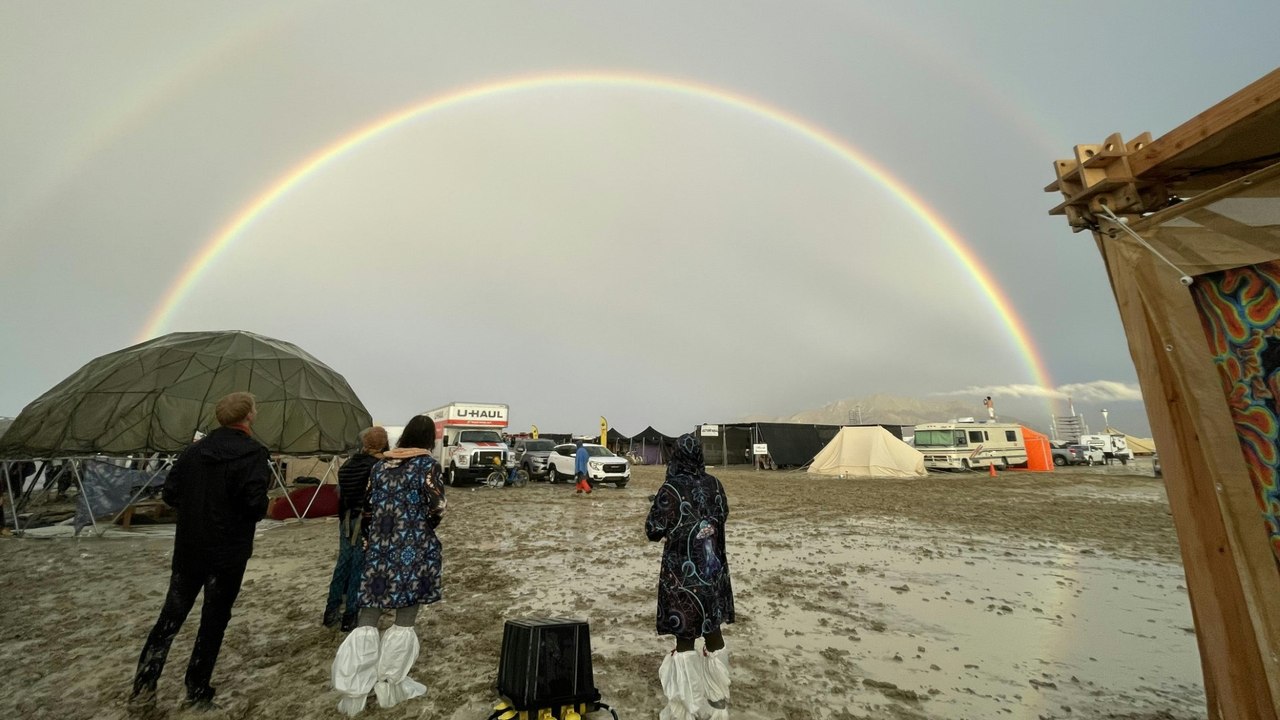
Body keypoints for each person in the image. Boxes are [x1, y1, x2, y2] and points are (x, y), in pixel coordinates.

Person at [130, 392, 270, 711]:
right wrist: (255, 506)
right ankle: (197, 689)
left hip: (190, 550)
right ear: (248, 416)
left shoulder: (193, 452)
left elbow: (170, 493)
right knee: (213, 621)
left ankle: (143, 688)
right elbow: (254, 505)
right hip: (228, 553)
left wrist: (197, 511)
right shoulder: (252, 453)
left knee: (170, 618)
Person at [331, 414, 445, 716]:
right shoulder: (427, 466)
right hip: (413, 546)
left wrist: (377, 535)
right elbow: (437, 507)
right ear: (429, 439)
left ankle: (355, 687)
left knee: (369, 613)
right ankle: (391, 683)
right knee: (405, 614)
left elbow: (367, 507)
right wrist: (418, 526)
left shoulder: (380, 466)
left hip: (380, 546)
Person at [646, 433, 733, 720]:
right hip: (712, 574)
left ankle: (688, 710)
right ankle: (718, 702)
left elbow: (652, 530)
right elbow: (722, 515)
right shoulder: (716, 485)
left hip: (682, 580)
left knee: (685, 640)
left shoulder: (670, 489)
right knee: (713, 632)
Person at [323, 426, 389, 632]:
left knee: (343, 564)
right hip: (366, 521)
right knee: (359, 568)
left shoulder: (349, 464)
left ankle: (331, 611)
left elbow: (342, 496)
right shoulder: (379, 466)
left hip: (347, 520)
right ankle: (350, 614)